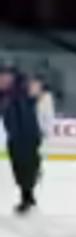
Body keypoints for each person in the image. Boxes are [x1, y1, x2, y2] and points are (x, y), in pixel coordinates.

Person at [1, 67, 43, 215]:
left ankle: (26, 197)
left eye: (4, 77)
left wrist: (33, 85)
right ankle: (28, 194)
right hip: (14, 137)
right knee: (18, 168)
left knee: (27, 167)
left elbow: (35, 94)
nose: (2, 81)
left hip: (28, 136)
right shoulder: (3, 97)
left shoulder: (23, 91)